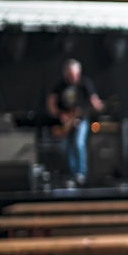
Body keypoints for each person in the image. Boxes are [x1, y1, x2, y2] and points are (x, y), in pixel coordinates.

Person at [46, 58, 104, 186]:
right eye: (72, 75)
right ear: (66, 74)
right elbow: (51, 102)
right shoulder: (60, 85)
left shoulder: (85, 83)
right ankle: (71, 174)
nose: (75, 77)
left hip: (81, 119)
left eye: (77, 74)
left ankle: (81, 173)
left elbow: (93, 99)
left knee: (79, 143)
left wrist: (98, 105)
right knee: (65, 147)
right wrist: (60, 115)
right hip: (65, 122)